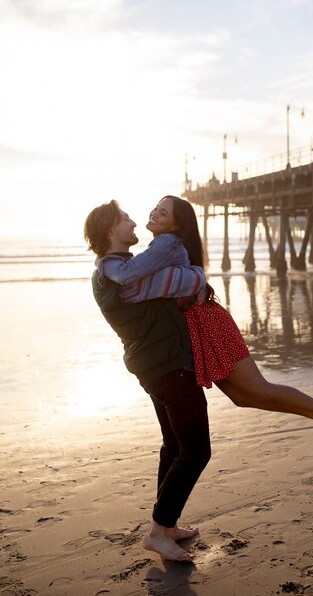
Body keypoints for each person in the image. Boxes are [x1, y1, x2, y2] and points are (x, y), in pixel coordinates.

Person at [100, 195, 313, 439]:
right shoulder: (165, 246)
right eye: (156, 207)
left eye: (163, 212)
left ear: (176, 225)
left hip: (208, 324)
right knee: (242, 398)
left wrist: (104, 263)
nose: (154, 212)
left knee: (259, 390)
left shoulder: (165, 243)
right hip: (197, 326)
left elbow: (130, 276)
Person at [84, 200, 211, 563]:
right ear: (109, 230)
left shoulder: (117, 269)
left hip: (155, 366)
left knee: (173, 446)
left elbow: (175, 284)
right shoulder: (118, 274)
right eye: (125, 219)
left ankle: (167, 527)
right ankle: (158, 530)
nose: (134, 221)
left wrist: (193, 280)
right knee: (196, 450)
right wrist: (199, 278)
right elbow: (180, 281)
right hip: (167, 366)